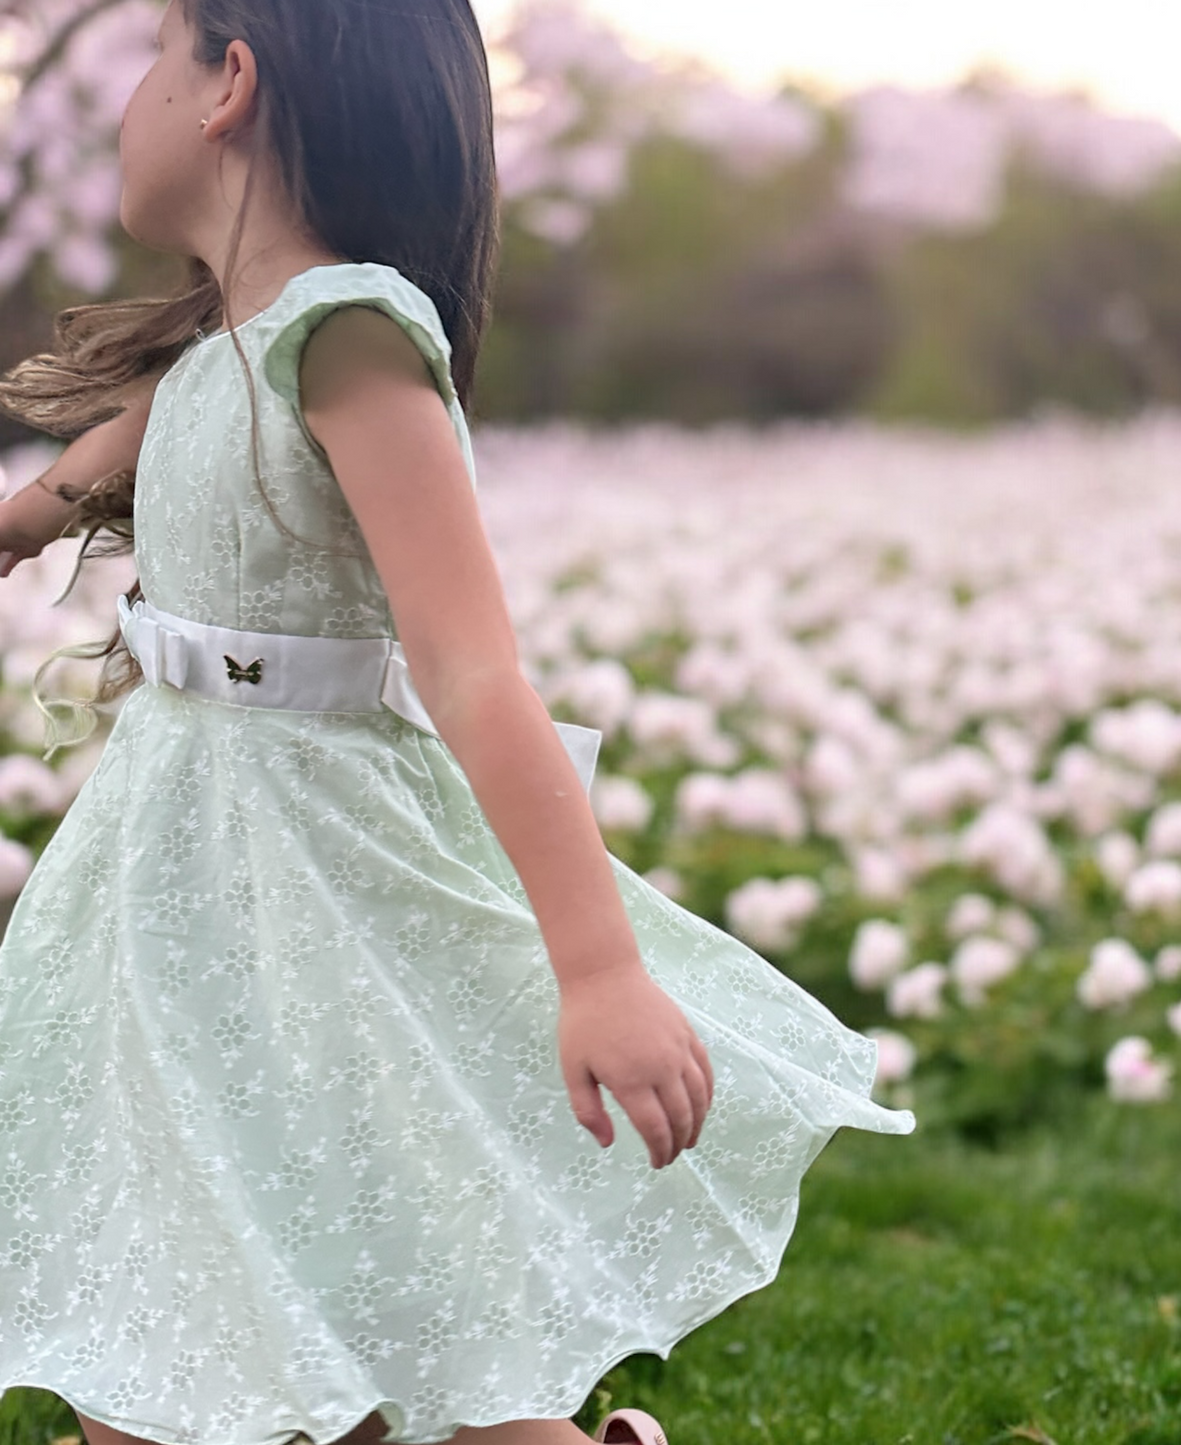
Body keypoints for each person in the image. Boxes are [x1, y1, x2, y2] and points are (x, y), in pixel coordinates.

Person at [0, 3, 917, 1445]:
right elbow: (48, 501)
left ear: (229, 85)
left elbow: (475, 669)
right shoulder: (202, 366)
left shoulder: (344, 335)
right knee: (192, 1282)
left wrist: (599, 966)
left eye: (148, 57)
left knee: (395, 1299)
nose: (121, 98)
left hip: (324, 872)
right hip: (173, 877)